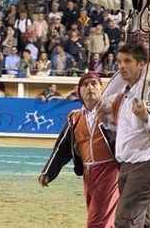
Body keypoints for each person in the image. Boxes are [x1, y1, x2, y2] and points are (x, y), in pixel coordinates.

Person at [100, 44, 150, 228]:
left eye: (128, 61)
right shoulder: (125, 95)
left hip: (148, 161)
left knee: (125, 220)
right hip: (128, 164)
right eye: (119, 61)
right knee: (140, 221)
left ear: (142, 64)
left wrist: (147, 117)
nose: (121, 66)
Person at [39, 73, 120, 228]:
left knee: (97, 220)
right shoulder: (74, 118)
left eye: (94, 84)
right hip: (88, 173)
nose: (90, 88)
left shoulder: (111, 113)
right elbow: (62, 148)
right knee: (101, 215)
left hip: (111, 171)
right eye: (85, 84)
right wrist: (48, 172)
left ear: (102, 88)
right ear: (79, 91)